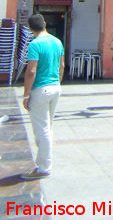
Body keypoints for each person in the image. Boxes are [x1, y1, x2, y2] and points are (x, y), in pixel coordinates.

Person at [21, 13, 65, 180]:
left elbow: (31, 71)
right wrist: (57, 82)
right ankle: (44, 162)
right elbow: (62, 65)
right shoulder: (57, 41)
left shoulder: (35, 44)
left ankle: (44, 167)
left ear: (31, 28)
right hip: (55, 87)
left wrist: (26, 95)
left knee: (42, 129)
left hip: (40, 89)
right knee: (48, 127)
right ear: (45, 24)